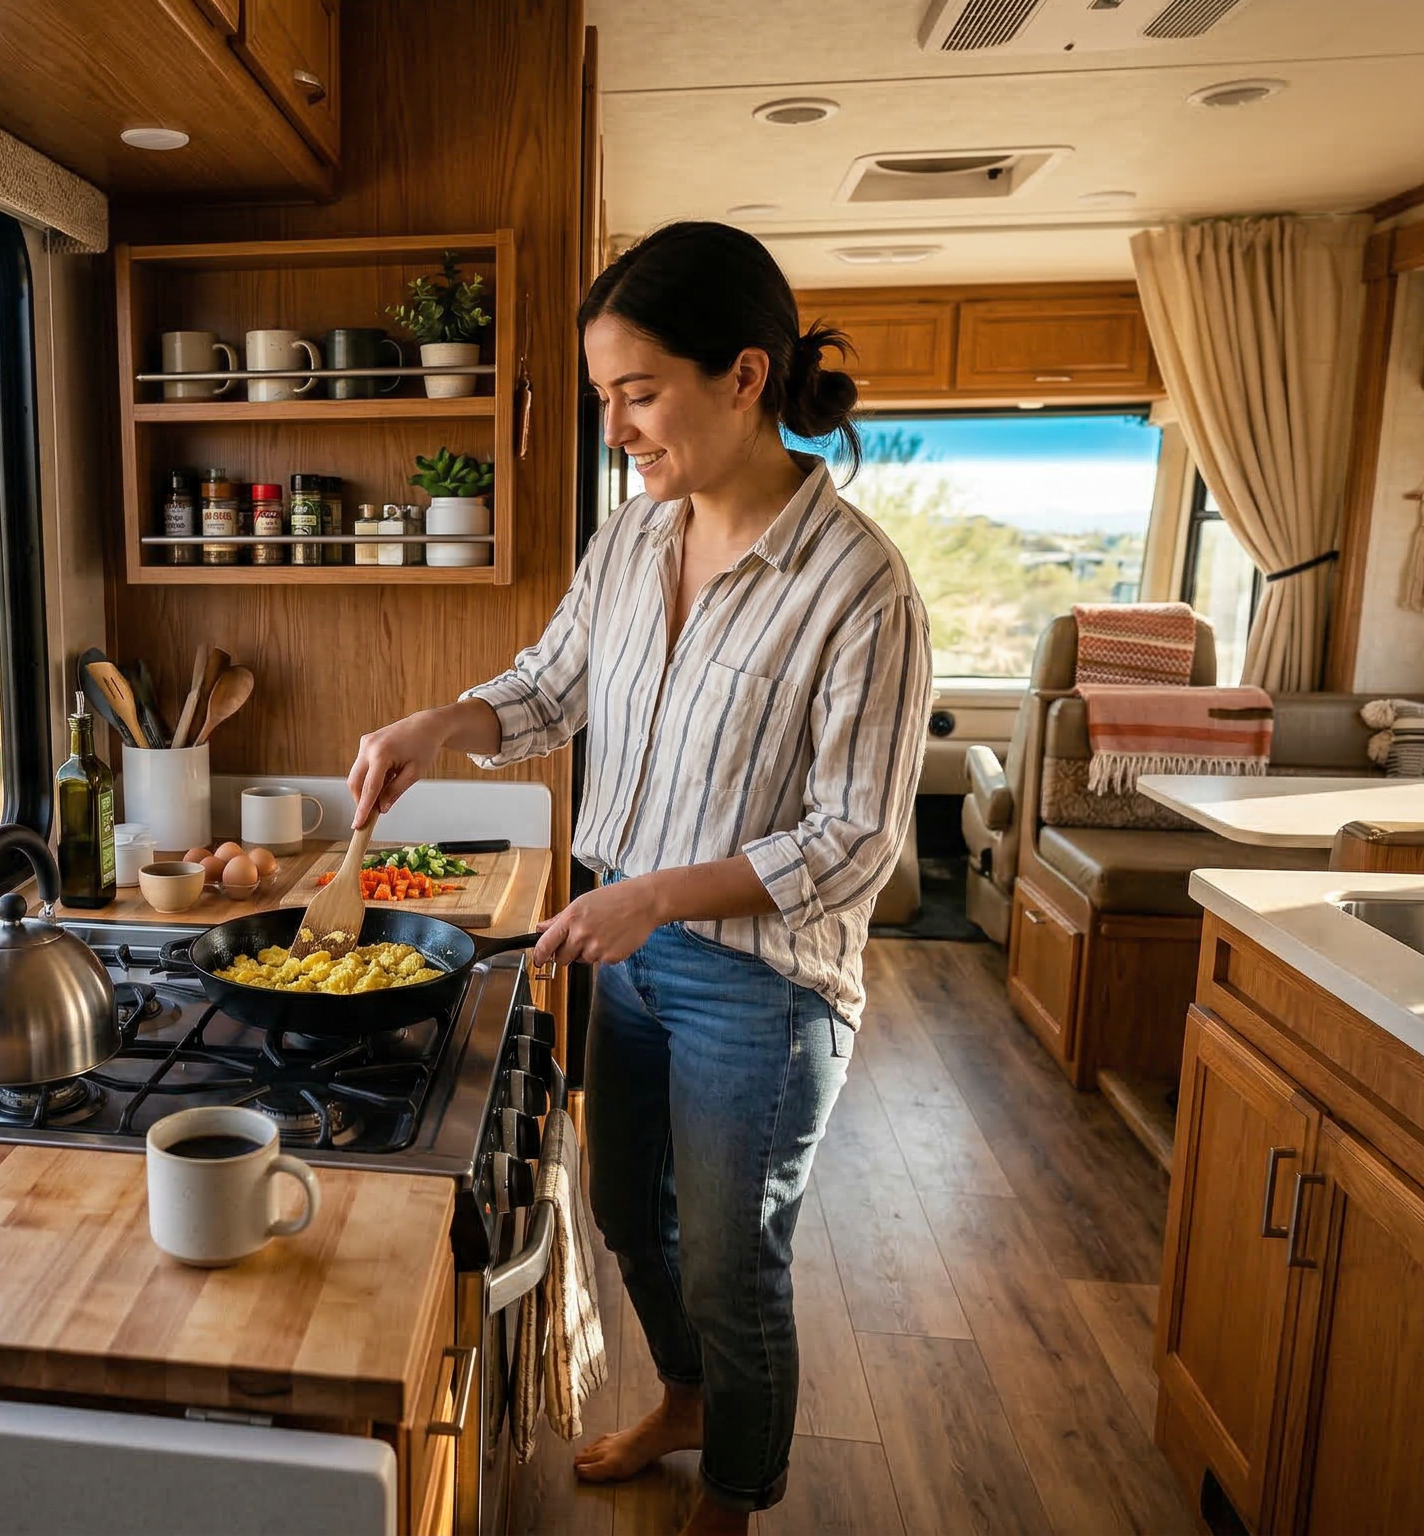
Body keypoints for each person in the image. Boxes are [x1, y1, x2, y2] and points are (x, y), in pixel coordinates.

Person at [347, 221, 930, 1534]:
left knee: (733, 1263)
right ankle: (689, 1398)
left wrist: (654, 894)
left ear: (745, 376)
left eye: (639, 394)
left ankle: (735, 1497)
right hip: (627, 950)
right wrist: (440, 724)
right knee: (623, 1210)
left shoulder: (860, 588)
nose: (616, 429)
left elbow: (854, 841)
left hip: (762, 990)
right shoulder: (630, 538)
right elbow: (551, 687)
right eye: (605, 396)